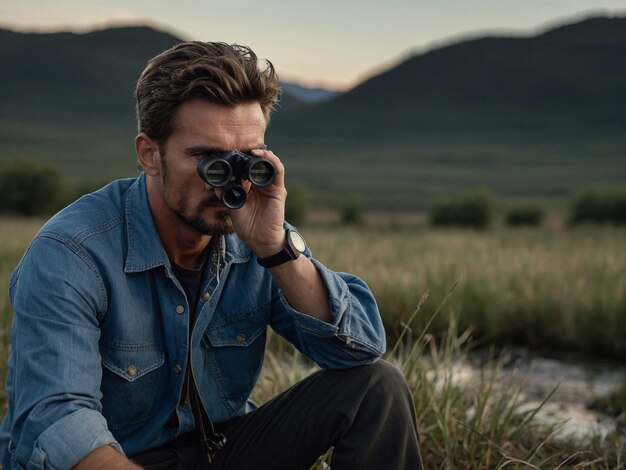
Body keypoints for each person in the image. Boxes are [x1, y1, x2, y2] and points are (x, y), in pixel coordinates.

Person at [0, 41, 423, 469]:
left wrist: (276, 250)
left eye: (245, 159)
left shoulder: (255, 235)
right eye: (207, 158)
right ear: (149, 154)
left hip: (216, 452)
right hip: (117, 460)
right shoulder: (71, 253)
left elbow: (360, 351)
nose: (226, 183)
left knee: (376, 386)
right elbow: (58, 423)